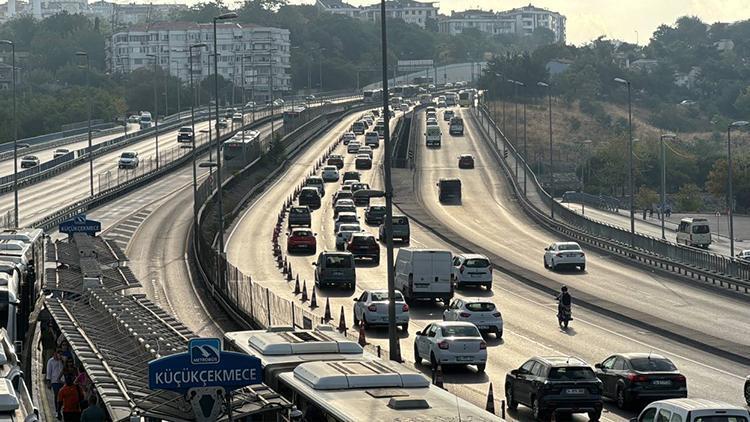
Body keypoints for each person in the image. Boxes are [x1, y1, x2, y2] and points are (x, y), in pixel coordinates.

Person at [46, 350, 64, 419]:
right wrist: (48, 381)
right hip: (54, 381)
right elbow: (49, 371)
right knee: (57, 395)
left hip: (62, 381)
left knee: (62, 396)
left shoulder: (62, 361)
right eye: (58, 354)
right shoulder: (51, 361)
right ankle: (57, 410)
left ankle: (61, 409)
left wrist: (62, 360)